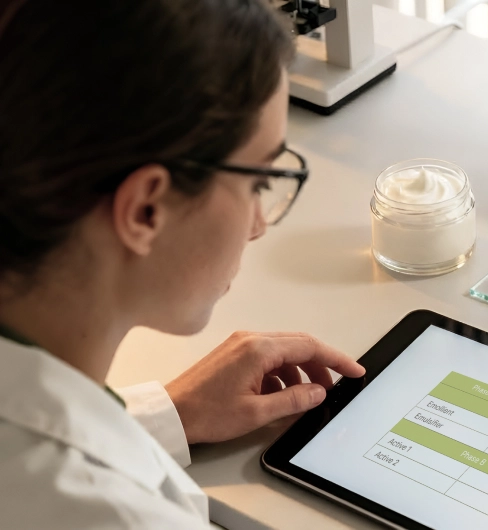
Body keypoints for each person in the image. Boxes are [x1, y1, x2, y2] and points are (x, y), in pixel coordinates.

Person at [0, 1, 366, 527]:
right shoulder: (115, 514)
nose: (259, 224)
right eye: (257, 183)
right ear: (146, 209)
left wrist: (170, 413)